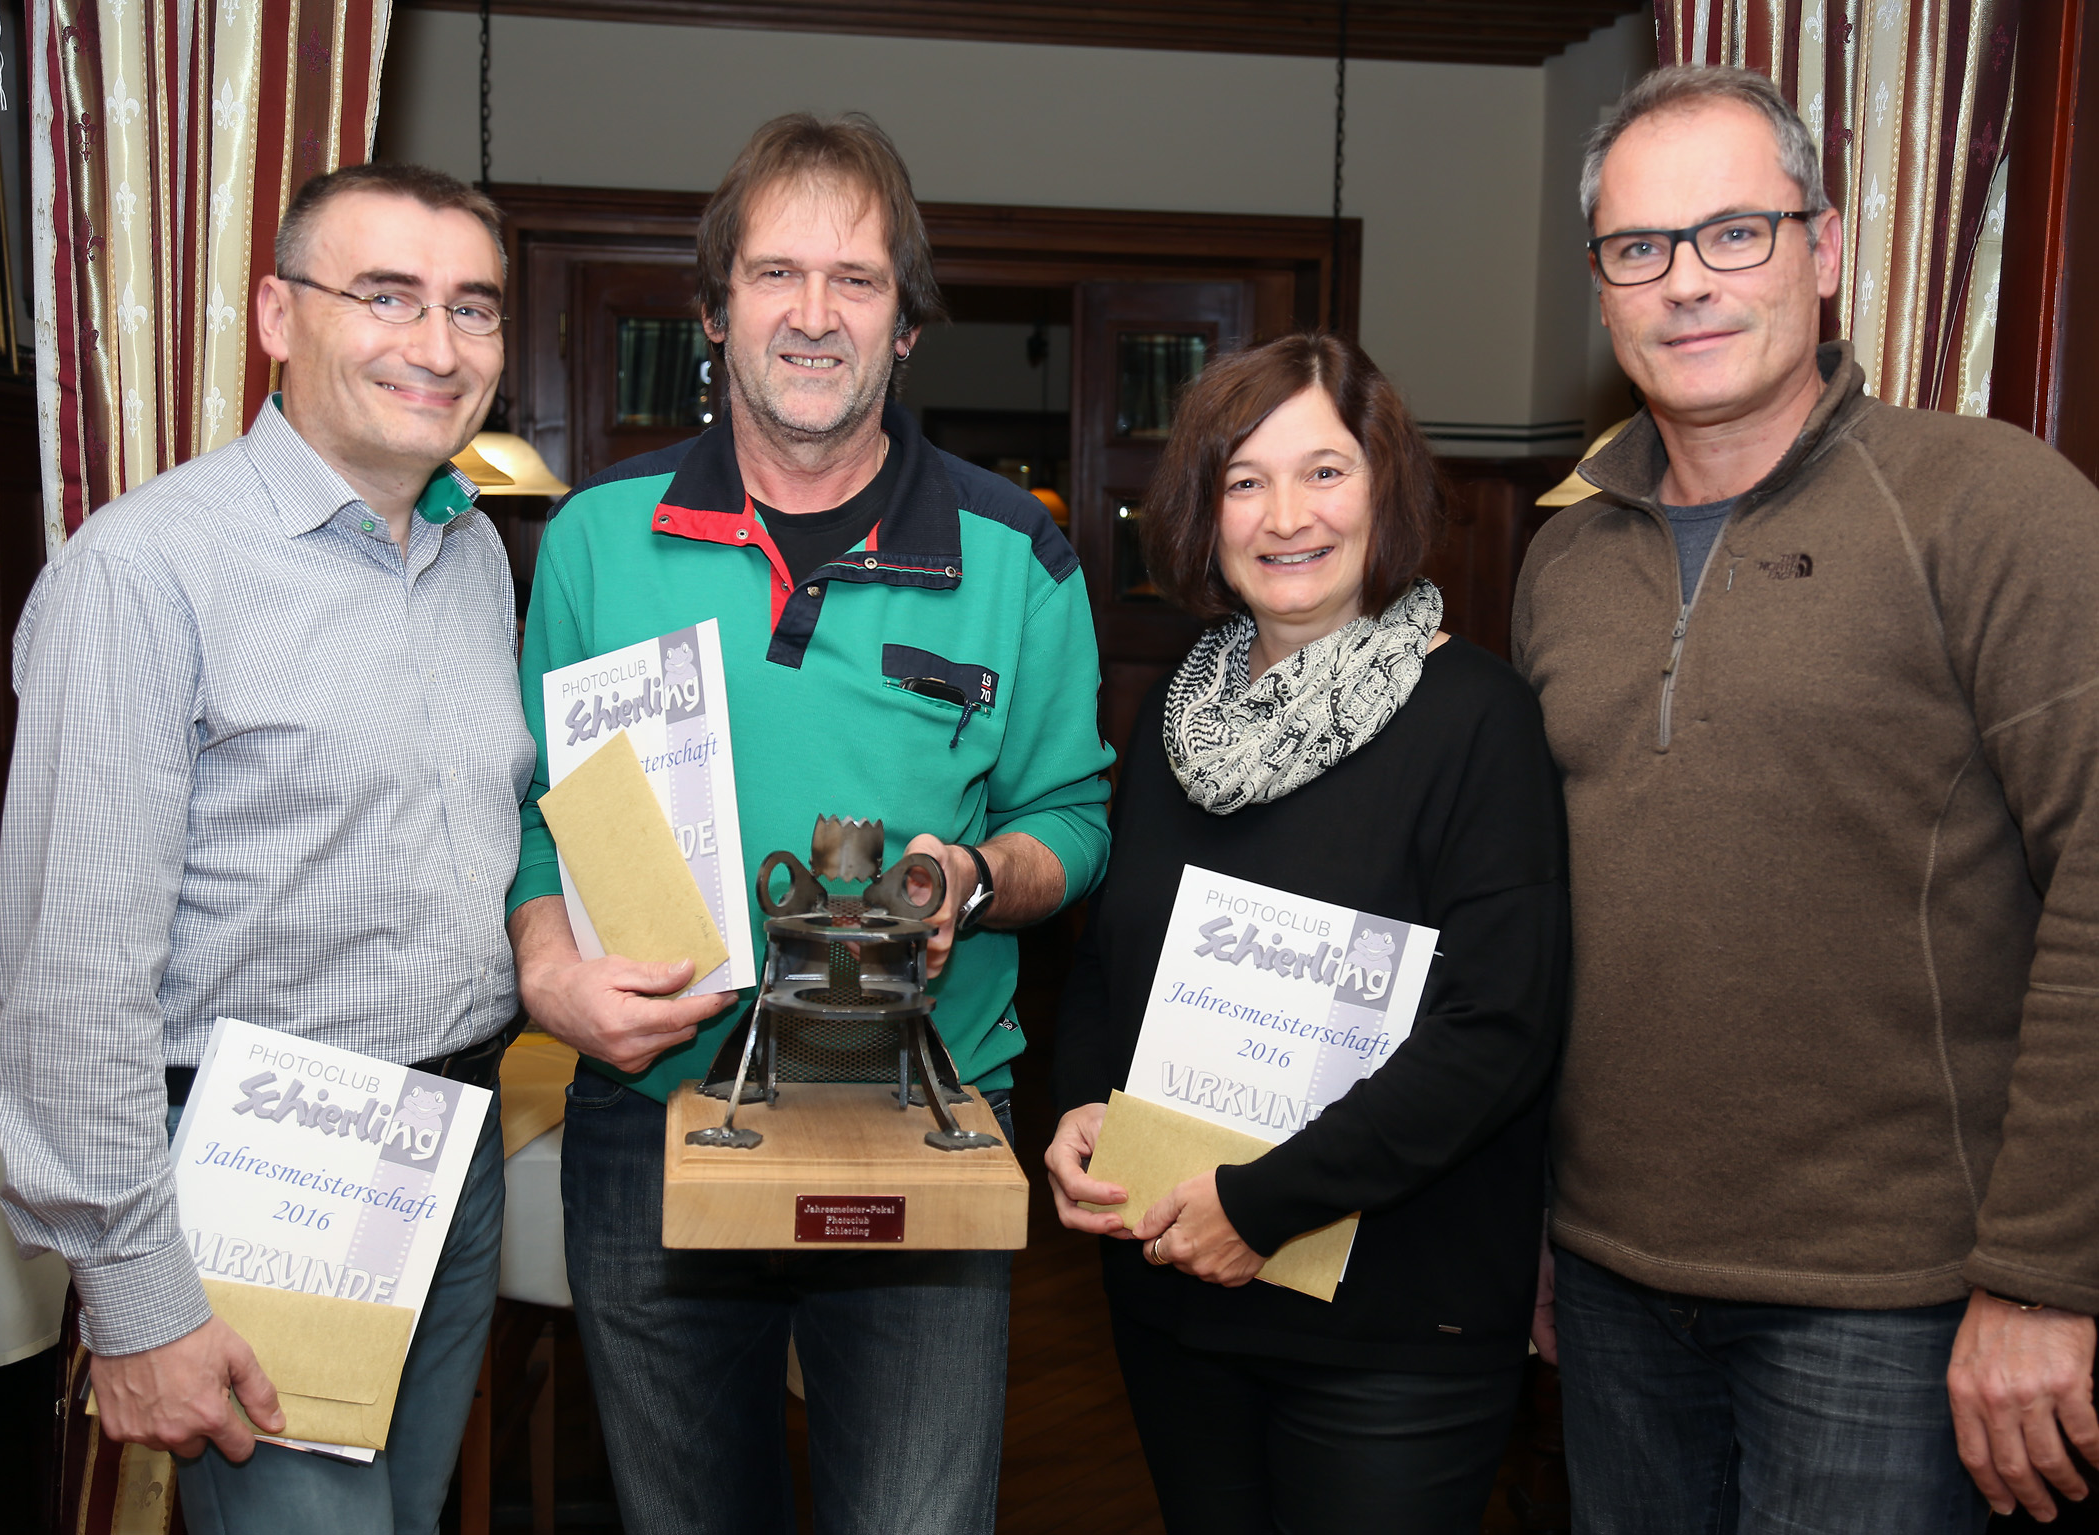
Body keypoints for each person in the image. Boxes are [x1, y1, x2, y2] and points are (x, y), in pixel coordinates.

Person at [506, 112, 1112, 1534]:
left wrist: (978, 873)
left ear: (907, 325)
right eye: (775, 273)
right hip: (655, 1111)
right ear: (715, 312)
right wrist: (543, 967)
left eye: (855, 278)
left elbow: (1072, 816)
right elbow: (541, 813)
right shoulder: (595, 537)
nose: (814, 313)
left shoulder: (1017, 556)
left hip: (919, 1116)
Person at [1514, 64, 2099, 1533]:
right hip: (1609, 1278)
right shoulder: (1561, 558)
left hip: (1892, 1302)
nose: (1685, 282)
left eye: (1733, 232)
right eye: (1638, 247)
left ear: (1822, 249)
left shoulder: (1990, 504)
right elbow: (1542, 918)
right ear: (1601, 287)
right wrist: (1532, 1215)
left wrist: (2041, 1274)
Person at [0, 163, 601, 1533]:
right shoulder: (142, 572)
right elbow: (70, 985)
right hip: (265, 1171)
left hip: (452, 1152)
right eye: (385, 295)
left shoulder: (469, 557)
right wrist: (138, 1300)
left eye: (472, 307)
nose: (436, 344)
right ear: (275, 314)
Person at [1044, 331, 1569, 1533]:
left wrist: (1265, 1203)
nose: (1286, 516)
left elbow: (1496, 1028)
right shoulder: (1176, 715)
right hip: (1178, 1296)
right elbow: (1111, 959)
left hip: (1391, 1326)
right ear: (1204, 514)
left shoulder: (1477, 720)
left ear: (1385, 489)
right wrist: (1080, 1102)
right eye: (1245, 480)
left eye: (1324, 471)